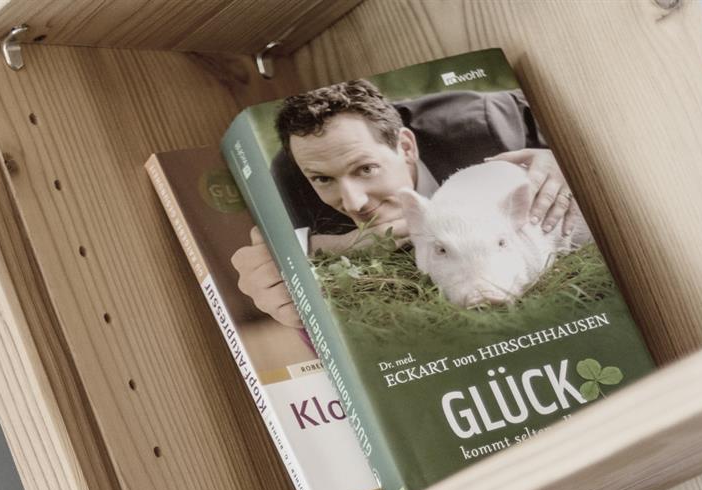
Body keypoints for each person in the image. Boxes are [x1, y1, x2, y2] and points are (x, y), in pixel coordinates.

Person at [230, 78, 574, 328]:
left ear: (406, 148)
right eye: (323, 179)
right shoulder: (292, 177)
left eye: (365, 169)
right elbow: (266, 251)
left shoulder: (487, 123)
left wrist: (559, 155)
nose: (354, 202)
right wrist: (329, 246)